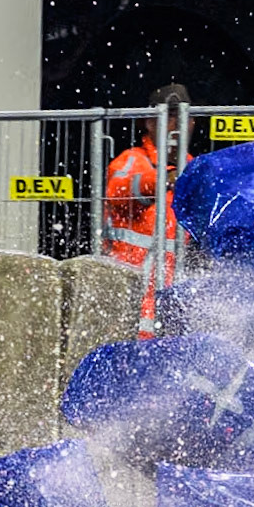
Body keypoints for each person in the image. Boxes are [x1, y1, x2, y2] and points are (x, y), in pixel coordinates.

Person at [105, 83, 195, 329]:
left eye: (183, 117)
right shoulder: (131, 160)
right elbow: (118, 192)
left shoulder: (194, 169)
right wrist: (164, 180)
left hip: (171, 294)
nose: (177, 125)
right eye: (170, 117)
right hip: (129, 288)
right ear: (150, 122)